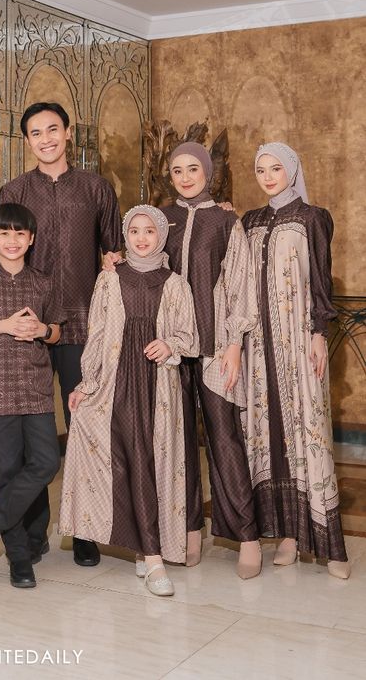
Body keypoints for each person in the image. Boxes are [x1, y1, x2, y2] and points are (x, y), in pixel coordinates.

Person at [0, 101, 121, 568]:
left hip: (82, 325)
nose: (46, 139)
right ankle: (31, 534)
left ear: (68, 133)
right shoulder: (14, 190)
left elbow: (115, 252)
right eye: (36, 133)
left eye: (53, 129)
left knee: (85, 429)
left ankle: (86, 531)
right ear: (27, 141)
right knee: (31, 439)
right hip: (26, 330)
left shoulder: (96, 188)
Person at [60, 205, 198, 596]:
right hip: (115, 387)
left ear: (161, 236)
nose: (141, 238)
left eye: (149, 231)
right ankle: (149, 555)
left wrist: (168, 344)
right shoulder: (109, 279)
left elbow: (189, 337)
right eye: (134, 231)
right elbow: (97, 334)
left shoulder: (176, 284)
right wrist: (86, 384)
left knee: (150, 464)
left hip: (157, 388)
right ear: (125, 236)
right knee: (123, 463)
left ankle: (148, 552)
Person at [242, 142, 349, 579]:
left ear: (291, 171)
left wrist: (319, 333)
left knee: (308, 430)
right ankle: (287, 537)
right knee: (270, 435)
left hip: (298, 341)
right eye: (261, 170)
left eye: (276, 168)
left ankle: (332, 549)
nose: (268, 177)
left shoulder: (312, 218)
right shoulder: (250, 221)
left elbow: (321, 280)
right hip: (258, 346)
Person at [161, 141, 262, 579]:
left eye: (192, 169)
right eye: (177, 170)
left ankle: (247, 536)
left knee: (225, 439)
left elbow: (239, 282)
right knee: (179, 443)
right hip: (171, 351)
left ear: (207, 172)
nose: (185, 177)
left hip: (215, 348)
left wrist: (235, 343)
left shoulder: (225, 221)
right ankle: (189, 531)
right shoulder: (162, 218)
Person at [0, 203, 64, 588]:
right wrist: (3, 325)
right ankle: (19, 559)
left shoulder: (44, 282)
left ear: (31, 239)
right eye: (4, 233)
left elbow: (57, 331)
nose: (12, 240)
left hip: (37, 387)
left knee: (46, 462)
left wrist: (42, 330)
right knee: (6, 472)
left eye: (20, 233)